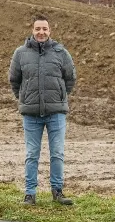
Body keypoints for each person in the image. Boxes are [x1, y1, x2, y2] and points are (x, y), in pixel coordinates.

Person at [9, 13, 76, 206]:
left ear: (49, 31)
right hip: (31, 115)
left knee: (57, 153)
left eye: (44, 29)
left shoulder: (61, 52)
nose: (41, 32)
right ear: (32, 30)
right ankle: (30, 194)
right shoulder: (20, 53)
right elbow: (14, 81)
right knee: (32, 154)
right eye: (38, 29)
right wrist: (25, 99)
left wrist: (60, 96)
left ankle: (57, 191)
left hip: (56, 113)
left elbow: (70, 78)